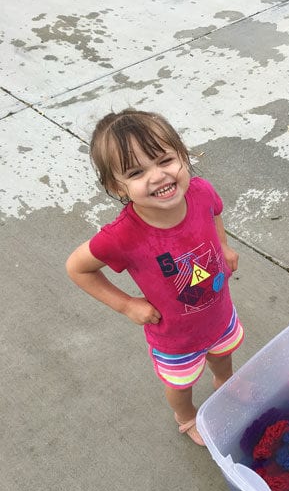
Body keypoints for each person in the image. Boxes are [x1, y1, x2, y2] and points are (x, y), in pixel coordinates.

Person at [66, 109, 244, 445]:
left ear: (182, 154)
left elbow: (214, 212)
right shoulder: (122, 236)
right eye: (136, 171)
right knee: (180, 384)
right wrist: (126, 305)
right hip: (175, 338)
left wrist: (224, 246)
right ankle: (186, 416)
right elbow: (77, 267)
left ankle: (226, 382)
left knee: (223, 354)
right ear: (115, 185)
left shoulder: (201, 192)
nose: (158, 176)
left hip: (218, 312)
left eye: (164, 160)